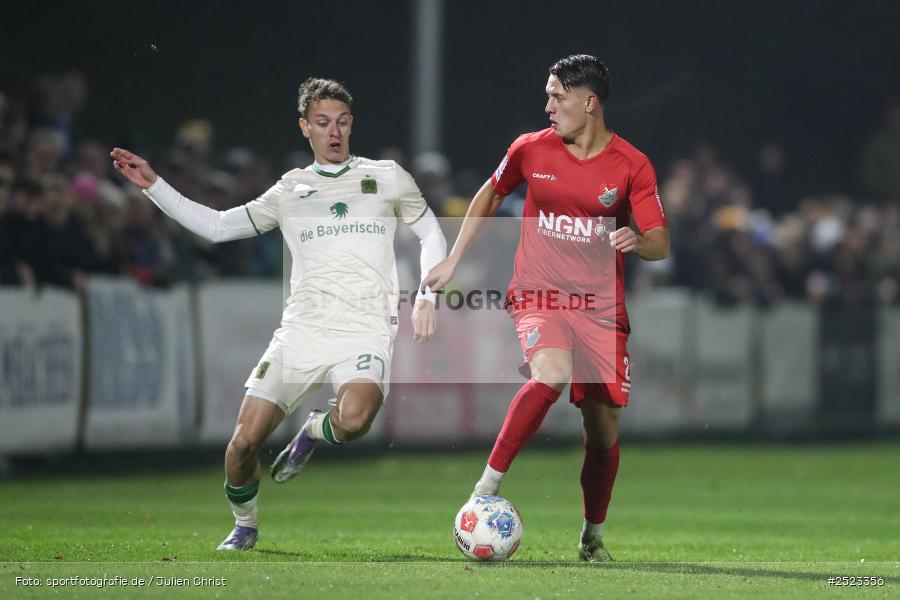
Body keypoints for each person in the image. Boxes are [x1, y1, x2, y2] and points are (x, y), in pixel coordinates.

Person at [111, 77, 446, 551]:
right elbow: (219, 227)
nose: (335, 132)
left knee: (353, 422)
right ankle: (245, 525)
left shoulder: (387, 177)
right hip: (302, 330)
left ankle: (312, 429)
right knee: (243, 445)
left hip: (365, 328)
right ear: (304, 128)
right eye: (323, 123)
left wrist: (428, 297)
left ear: (352, 125)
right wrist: (155, 187)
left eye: (343, 122)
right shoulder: (292, 189)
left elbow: (432, 234)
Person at [422, 55, 669, 562]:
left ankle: (591, 535)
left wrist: (636, 241)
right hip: (539, 293)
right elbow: (492, 193)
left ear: (588, 101)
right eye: (548, 95)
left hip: (601, 309)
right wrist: (454, 257)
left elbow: (660, 242)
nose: (548, 105)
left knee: (601, 434)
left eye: (557, 96)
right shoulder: (530, 149)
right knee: (550, 373)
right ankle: (484, 489)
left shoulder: (631, 165)